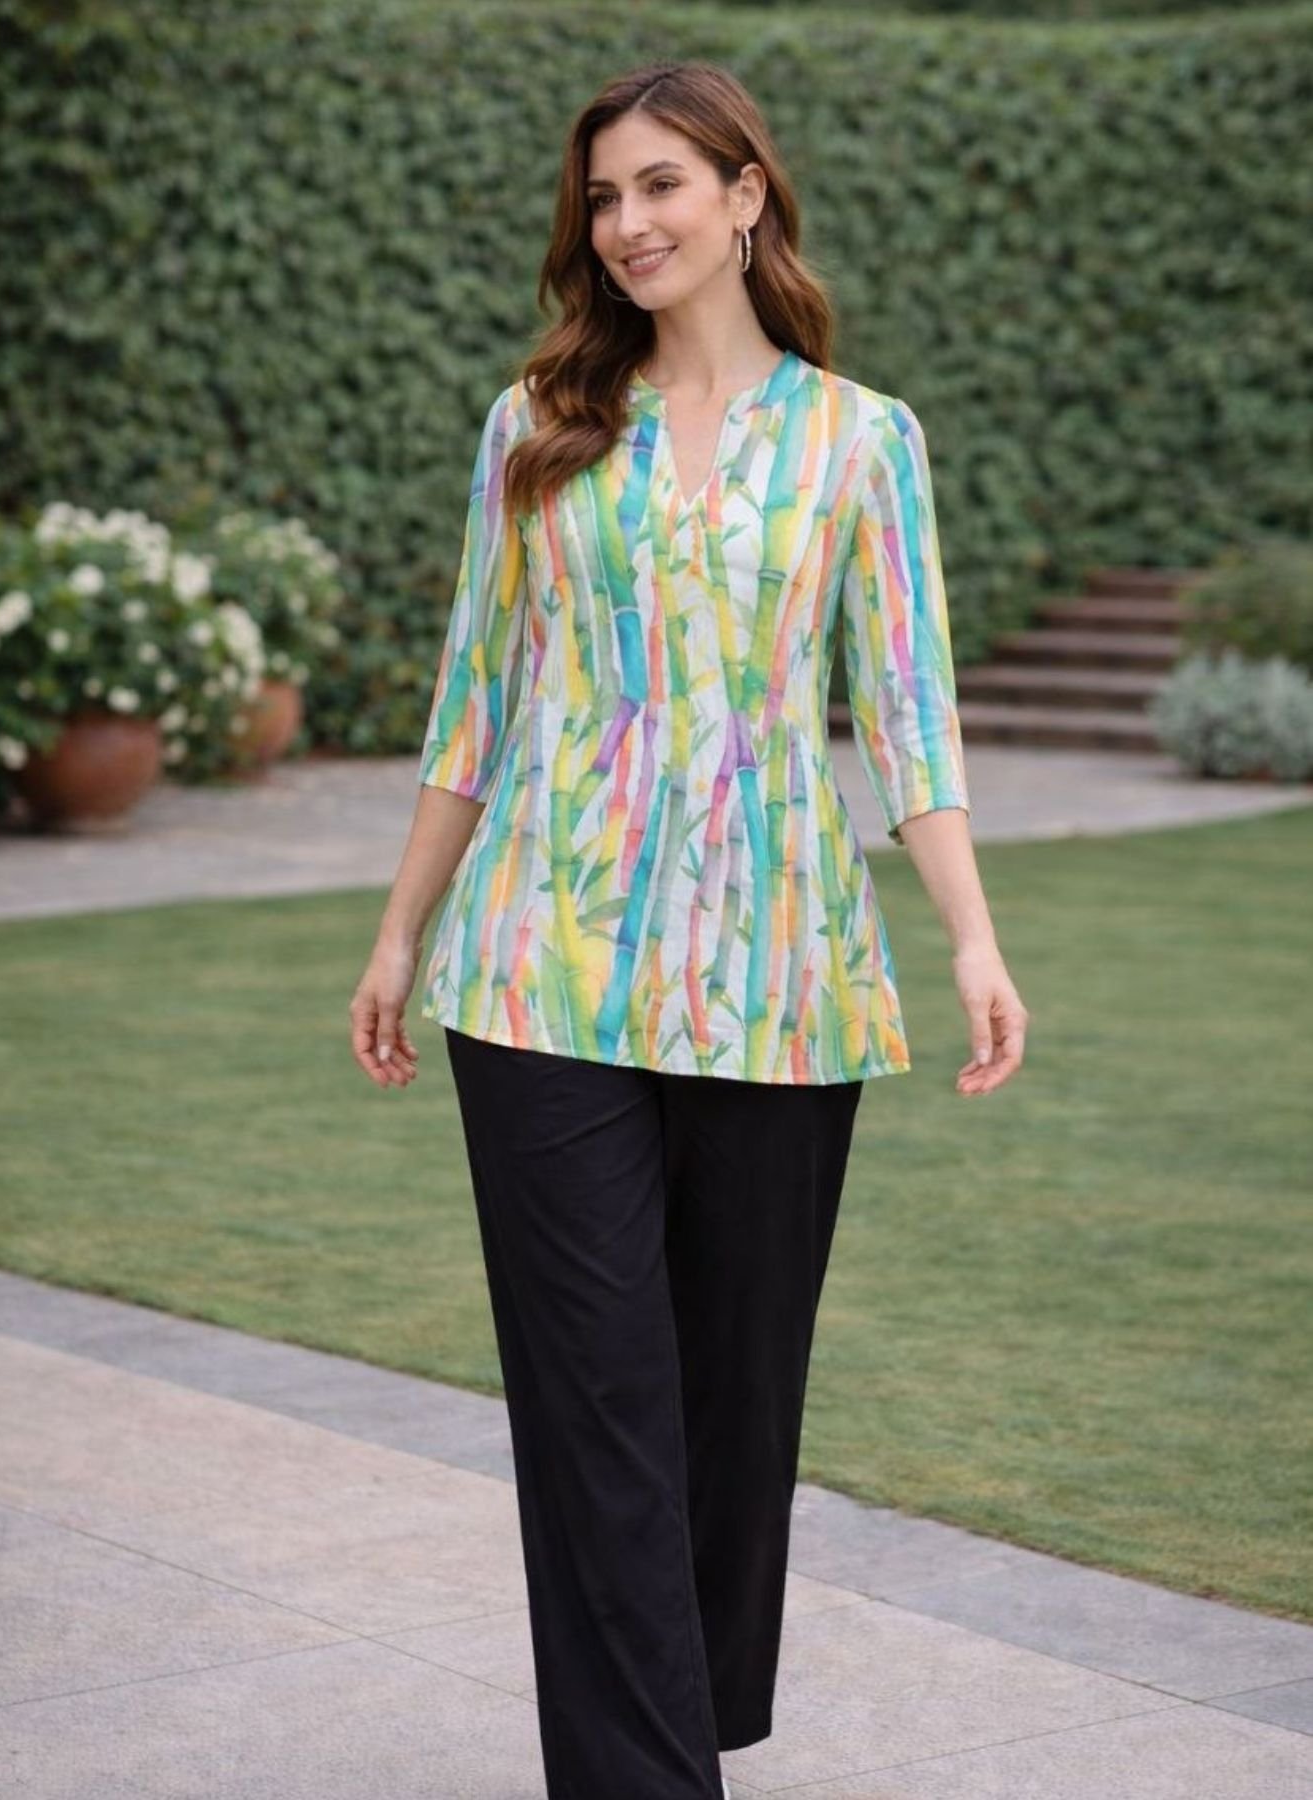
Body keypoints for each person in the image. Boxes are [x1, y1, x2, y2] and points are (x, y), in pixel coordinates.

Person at [350, 58, 1029, 1800]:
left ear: (743, 196)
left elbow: (908, 715)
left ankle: (684, 1709)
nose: (626, 222)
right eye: (601, 196)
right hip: (542, 970)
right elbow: (475, 697)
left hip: (783, 979)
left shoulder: (863, 440)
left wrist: (968, 939)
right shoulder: (538, 422)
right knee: (596, 1407)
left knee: (731, 1406)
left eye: (659, 184)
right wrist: (400, 930)